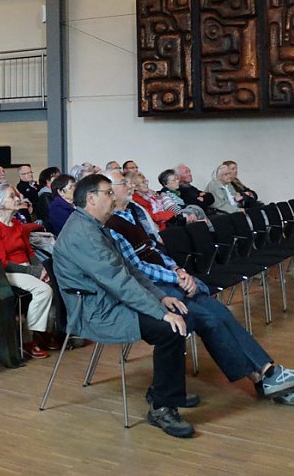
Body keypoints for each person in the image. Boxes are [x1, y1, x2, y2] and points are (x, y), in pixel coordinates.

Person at [104, 169, 294, 405]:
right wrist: (175, 278)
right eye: (123, 183)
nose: (130, 185)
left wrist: (178, 270)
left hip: (167, 277)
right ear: (108, 192)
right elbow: (137, 267)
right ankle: (264, 376)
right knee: (208, 317)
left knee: (220, 311)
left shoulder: (136, 211)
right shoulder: (111, 224)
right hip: (151, 288)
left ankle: (266, 374)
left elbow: (157, 250)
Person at [53, 173, 195, 438]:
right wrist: (160, 313)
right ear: (91, 198)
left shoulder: (96, 226)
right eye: (108, 193)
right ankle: (163, 406)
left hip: (110, 301)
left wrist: (160, 297)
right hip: (96, 312)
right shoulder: (82, 234)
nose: (114, 196)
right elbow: (118, 281)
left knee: (181, 316)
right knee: (170, 330)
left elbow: (129, 270)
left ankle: (165, 391)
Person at [0, 183, 55, 359]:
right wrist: (34, 272)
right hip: (3, 271)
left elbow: (29, 252)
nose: (17, 199)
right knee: (44, 290)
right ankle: (31, 338)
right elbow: (2, 263)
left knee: (56, 282)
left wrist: (41, 268)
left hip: (25, 268)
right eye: (12, 196)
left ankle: (48, 331)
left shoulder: (16, 224)